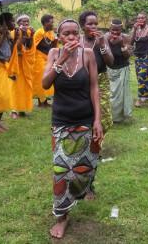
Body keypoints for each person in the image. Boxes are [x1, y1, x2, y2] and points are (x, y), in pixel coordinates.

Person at [42, 19, 103, 239]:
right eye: (66, 34)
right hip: (61, 122)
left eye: (74, 34)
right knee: (61, 171)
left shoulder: (88, 54)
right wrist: (62, 59)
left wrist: (97, 120)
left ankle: (81, 192)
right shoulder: (54, 54)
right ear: (59, 37)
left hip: (85, 121)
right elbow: (45, 84)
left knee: (84, 170)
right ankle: (62, 217)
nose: (71, 38)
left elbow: (94, 87)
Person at [79, 11, 114, 133]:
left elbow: (110, 62)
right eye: (90, 24)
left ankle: (98, 142)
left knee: (102, 112)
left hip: (101, 80)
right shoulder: (78, 41)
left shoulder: (102, 40)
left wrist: (103, 45)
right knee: (85, 110)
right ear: (82, 26)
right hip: (82, 80)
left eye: (95, 24)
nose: (94, 27)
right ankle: (86, 140)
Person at [8, 15, 35, 119]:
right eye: (24, 21)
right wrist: (22, 34)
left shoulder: (28, 31)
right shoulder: (14, 32)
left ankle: (22, 109)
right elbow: (17, 47)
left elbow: (29, 46)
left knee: (25, 86)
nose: (26, 23)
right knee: (15, 87)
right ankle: (14, 110)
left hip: (25, 64)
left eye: (28, 21)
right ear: (19, 23)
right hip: (15, 63)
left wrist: (31, 36)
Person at [106, 19, 133, 122]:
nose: (115, 32)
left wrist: (122, 45)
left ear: (121, 29)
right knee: (110, 94)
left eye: (117, 30)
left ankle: (120, 117)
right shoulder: (105, 37)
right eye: (113, 30)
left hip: (122, 68)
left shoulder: (126, 38)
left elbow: (127, 56)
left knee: (122, 95)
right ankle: (110, 115)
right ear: (109, 28)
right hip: (109, 69)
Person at [33, 14, 57, 107]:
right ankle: (41, 102)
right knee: (41, 78)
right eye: (51, 22)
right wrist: (53, 41)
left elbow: (52, 47)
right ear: (45, 23)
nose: (52, 24)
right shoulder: (39, 32)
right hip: (39, 58)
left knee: (47, 78)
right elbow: (42, 46)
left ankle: (45, 101)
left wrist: (55, 40)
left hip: (47, 59)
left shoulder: (50, 33)